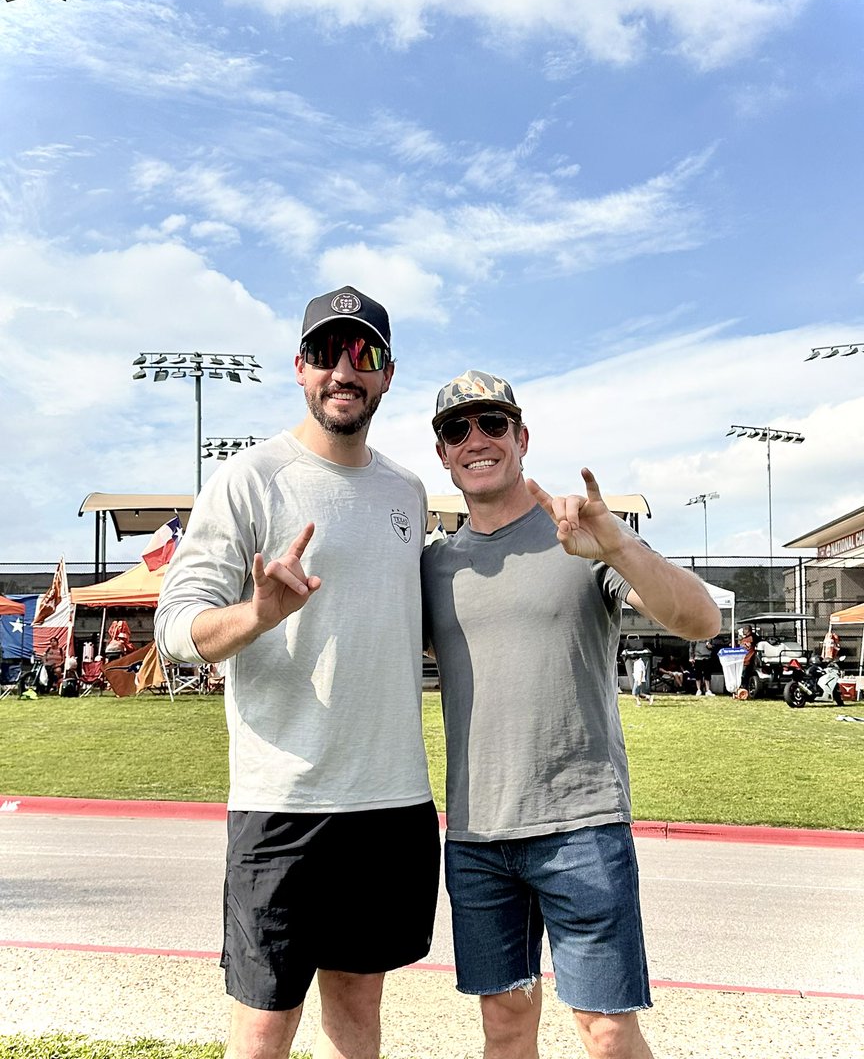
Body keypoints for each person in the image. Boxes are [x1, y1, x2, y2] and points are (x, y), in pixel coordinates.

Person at [155, 285, 440, 1059]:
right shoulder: (249, 480)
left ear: (387, 375)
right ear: (299, 367)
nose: (343, 372)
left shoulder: (408, 491)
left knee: (358, 1006)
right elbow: (175, 628)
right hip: (284, 802)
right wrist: (257, 614)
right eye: (325, 353)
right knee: (264, 1021)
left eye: (364, 355)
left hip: (392, 800)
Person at [421, 370, 721, 1059]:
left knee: (607, 1030)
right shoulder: (435, 566)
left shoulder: (580, 537)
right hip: (475, 835)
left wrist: (617, 546)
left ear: (522, 438)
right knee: (503, 1024)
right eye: (456, 429)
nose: (477, 440)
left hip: (581, 826)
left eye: (493, 423)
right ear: (442, 453)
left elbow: (701, 619)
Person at [738, 625, 759, 697]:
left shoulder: (752, 638)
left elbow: (754, 641)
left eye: (744, 629)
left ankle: (745, 690)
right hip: (743, 659)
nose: (743, 631)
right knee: (742, 675)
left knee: (744, 676)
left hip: (748, 659)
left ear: (748, 630)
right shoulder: (744, 639)